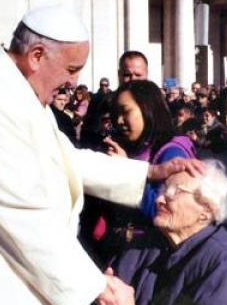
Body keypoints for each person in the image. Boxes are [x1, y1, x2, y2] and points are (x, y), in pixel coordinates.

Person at [0, 5, 202, 305]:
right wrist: (95, 286)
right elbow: (23, 214)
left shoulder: (18, 91)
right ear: (37, 56)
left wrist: (147, 172)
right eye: (70, 70)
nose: (74, 82)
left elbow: (67, 158)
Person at [84, 80, 196, 265]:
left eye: (126, 112)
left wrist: (126, 169)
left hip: (150, 257)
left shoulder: (171, 153)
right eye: (115, 114)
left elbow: (171, 213)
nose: (119, 120)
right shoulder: (131, 146)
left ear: (147, 109)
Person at [111, 159, 227, 305]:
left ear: (206, 211)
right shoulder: (145, 244)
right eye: (163, 190)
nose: (159, 199)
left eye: (175, 192)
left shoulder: (225, 264)